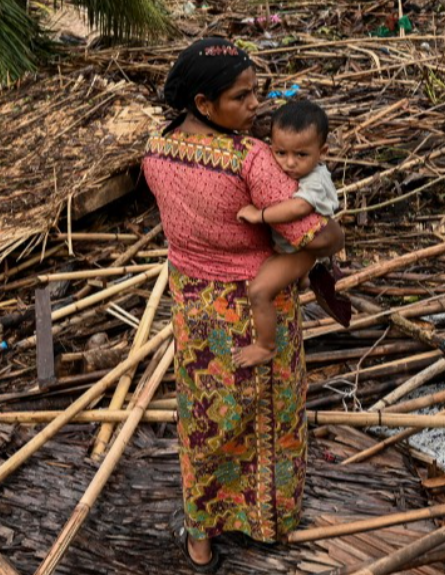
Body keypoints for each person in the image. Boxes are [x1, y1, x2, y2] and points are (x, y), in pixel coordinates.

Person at [142, 38, 344, 571]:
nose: (257, 106)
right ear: (205, 105)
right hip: (256, 306)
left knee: (204, 419)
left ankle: (201, 534)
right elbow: (314, 235)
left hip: (192, 307)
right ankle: (267, 522)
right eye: (243, 96)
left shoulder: (155, 151)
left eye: (257, 92)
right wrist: (335, 235)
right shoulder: (250, 159)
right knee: (270, 417)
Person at [235, 100, 348, 350]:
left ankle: (264, 346)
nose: (289, 163)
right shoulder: (291, 168)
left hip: (302, 250)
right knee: (287, 283)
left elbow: (298, 207)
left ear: (323, 151)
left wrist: (259, 215)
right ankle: (305, 279)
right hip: (290, 247)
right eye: (280, 153)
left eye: (301, 155)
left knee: (259, 292)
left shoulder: (315, 180)